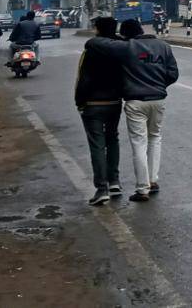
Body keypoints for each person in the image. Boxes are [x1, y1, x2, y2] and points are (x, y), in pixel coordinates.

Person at [88, 18, 178, 202]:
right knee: (155, 138)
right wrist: (159, 85)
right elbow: (173, 74)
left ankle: (142, 189)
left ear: (127, 34)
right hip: (159, 100)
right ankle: (153, 180)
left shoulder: (127, 47)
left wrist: (117, 39)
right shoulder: (163, 46)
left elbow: (94, 43)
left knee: (139, 143)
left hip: (136, 101)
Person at [75, 17, 124, 205]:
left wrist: (80, 102)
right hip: (114, 102)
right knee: (113, 139)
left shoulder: (90, 50)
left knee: (97, 144)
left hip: (93, 103)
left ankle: (101, 188)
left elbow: (82, 78)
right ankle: (114, 182)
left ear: (97, 30)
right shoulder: (122, 49)